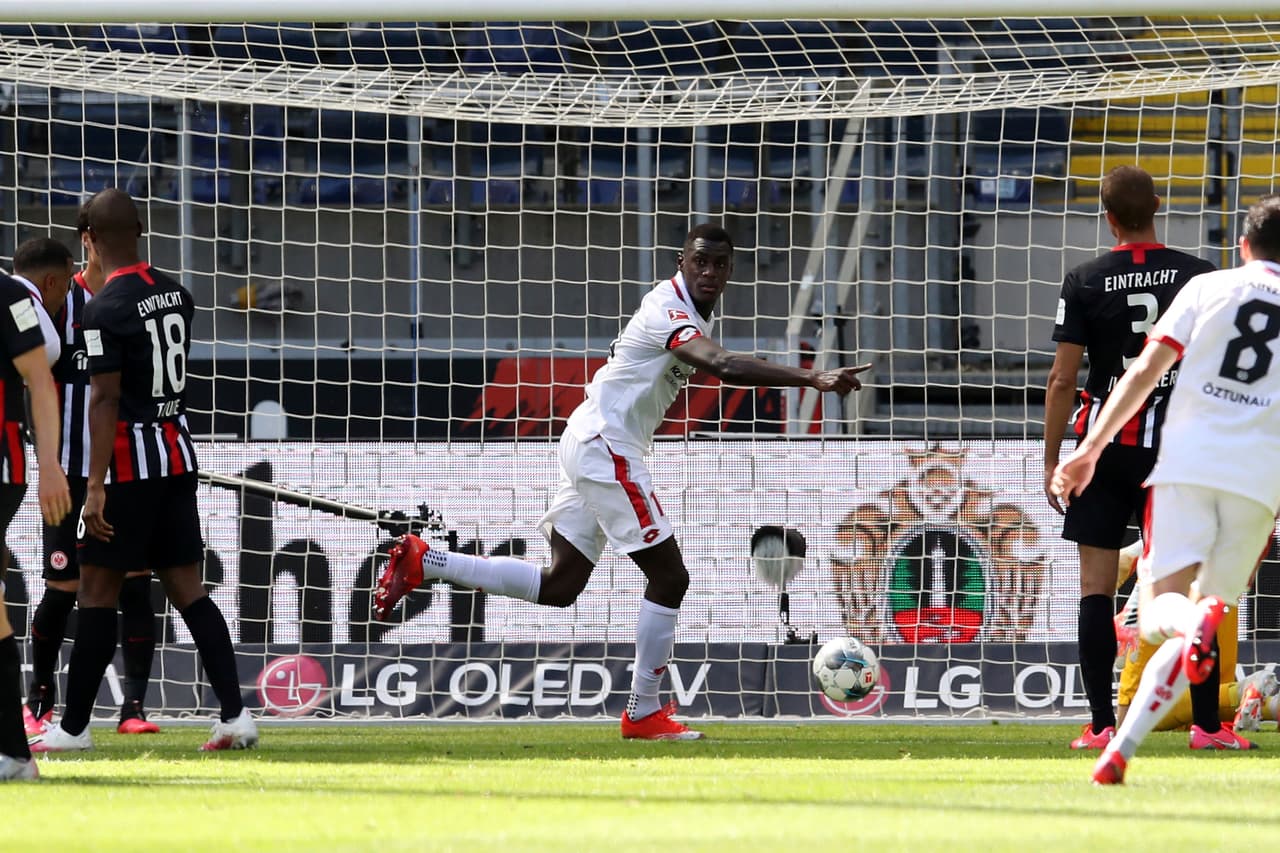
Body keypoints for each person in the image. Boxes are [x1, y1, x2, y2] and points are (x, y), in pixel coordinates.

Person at [372, 223, 871, 739]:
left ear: (729, 271)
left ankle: (426, 560)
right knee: (670, 577)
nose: (708, 271)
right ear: (681, 261)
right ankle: (643, 711)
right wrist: (812, 376)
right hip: (606, 445)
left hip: (592, 440)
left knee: (560, 586)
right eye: (699, 261)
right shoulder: (668, 308)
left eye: (719, 265)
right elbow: (721, 364)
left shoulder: (698, 308)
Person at [1053, 192, 1280, 784]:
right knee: (1212, 607)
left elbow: (1144, 371)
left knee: (1160, 612)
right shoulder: (1195, 274)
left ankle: (1165, 652)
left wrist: (1088, 449)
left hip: (1185, 463)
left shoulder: (1208, 288)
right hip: (1260, 478)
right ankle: (1120, 753)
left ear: (1243, 246)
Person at [31, 189, 257, 753]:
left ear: (90, 240)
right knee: (188, 588)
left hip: (129, 466)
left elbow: (105, 401)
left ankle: (74, 728)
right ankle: (235, 715)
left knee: (97, 592)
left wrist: (95, 485)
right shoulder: (178, 294)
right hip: (177, 454)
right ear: (138, 229)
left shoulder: (104, 309)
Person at [16, 224, 161, 738]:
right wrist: (45, 456)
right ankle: (40, 701)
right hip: (67, 472)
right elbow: (35, 379)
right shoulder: (58, 301)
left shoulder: (135, 304)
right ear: (89, 243)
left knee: (136, 584)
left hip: (122, 469)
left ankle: (134, 709)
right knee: (63, 588)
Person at [0, 260, 72, 779]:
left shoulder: (9, 296)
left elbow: (41, 383)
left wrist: (50, 465)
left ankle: (16, 753)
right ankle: (15, 752)